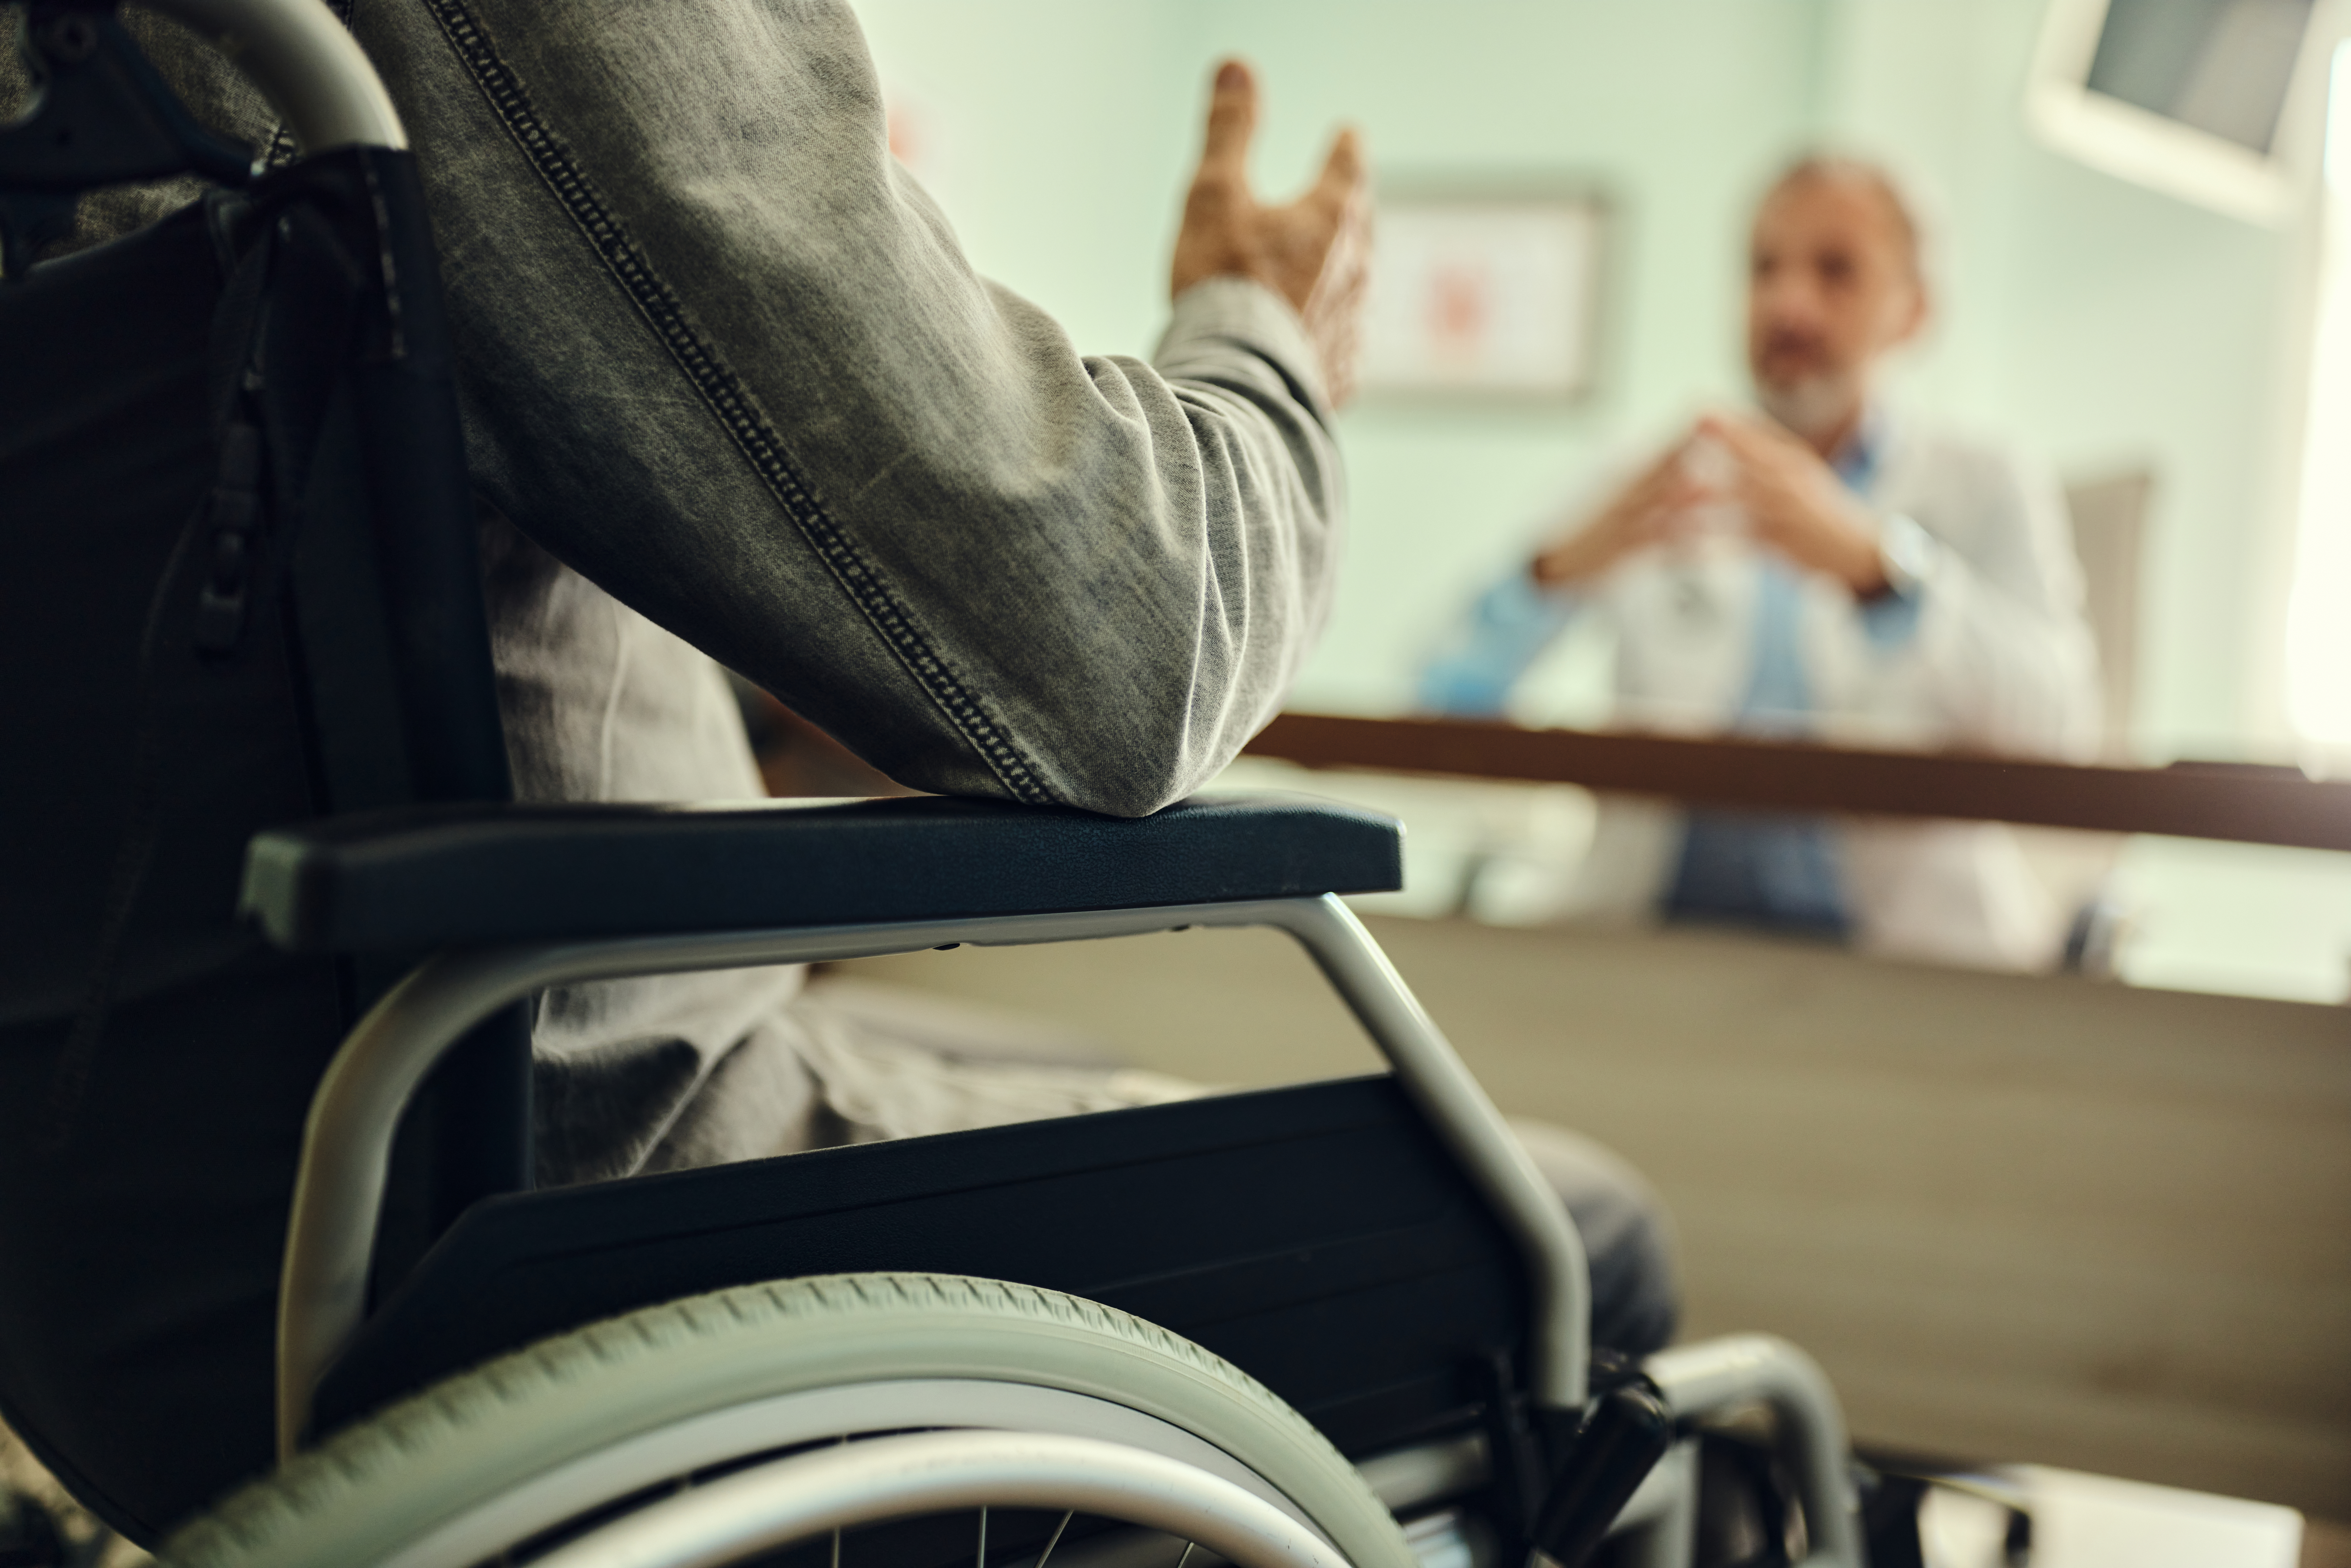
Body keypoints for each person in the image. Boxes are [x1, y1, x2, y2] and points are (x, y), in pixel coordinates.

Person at [0, 3, 1673, 1537]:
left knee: (1049, 1049)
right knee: (1580, 1233)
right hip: (510, 1237)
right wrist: (1268, 341)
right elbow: (1122, 641)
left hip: (94, 1266)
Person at [1422, 156, 2100, 971]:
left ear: (1914, 312)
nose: (1788, 302)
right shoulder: (1646, 482)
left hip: (1909, 973)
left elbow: (2065, 730)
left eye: (1836, 270)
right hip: (1654, 954)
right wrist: (1562, 567)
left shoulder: (1984, 484)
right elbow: (1442, 699)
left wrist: (1883, 576)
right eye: (1764, 267)